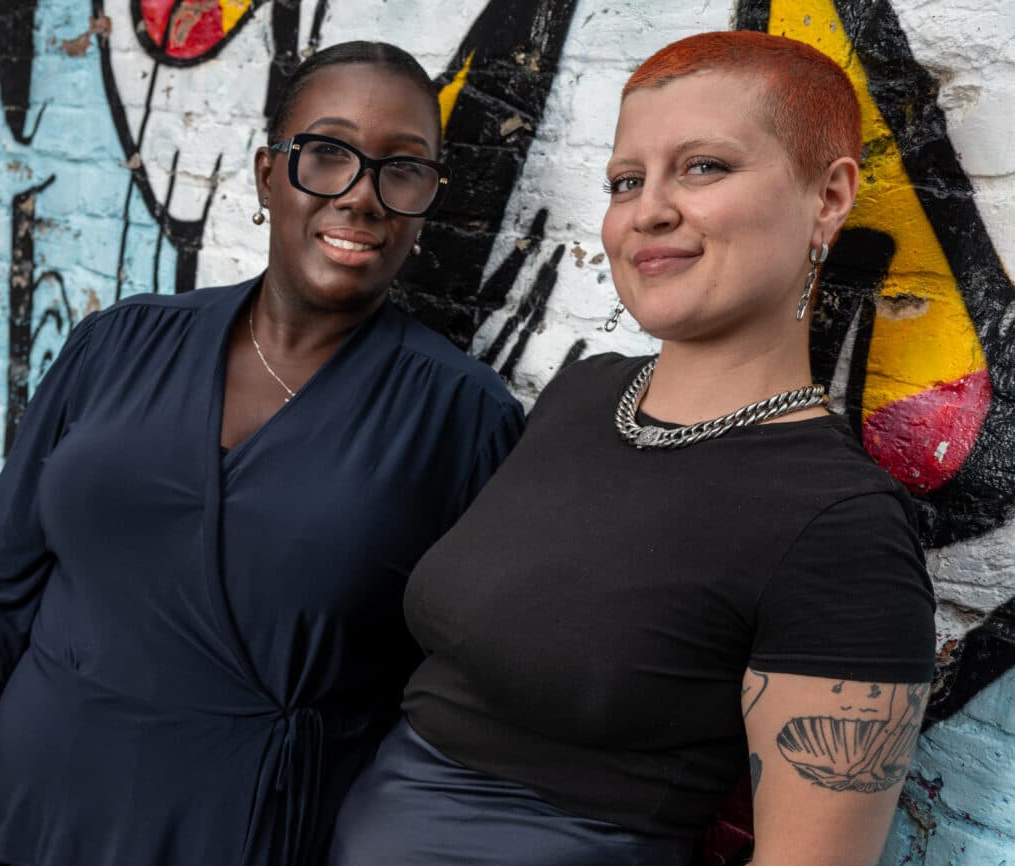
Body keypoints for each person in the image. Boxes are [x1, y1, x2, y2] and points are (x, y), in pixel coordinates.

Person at [329, 31, 936, 866]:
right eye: (625, 180)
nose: (647, 209)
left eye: (704, 167)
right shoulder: (584, 396)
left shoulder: (841, 530)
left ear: (828, 196)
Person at [0, 41, 524, 866]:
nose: (361, 195)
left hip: (246, 836)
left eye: (402, 169)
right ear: (270, 174)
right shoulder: (119, 345)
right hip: (19, 820)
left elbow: (455, 697)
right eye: (327, 154)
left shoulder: (460, 417)